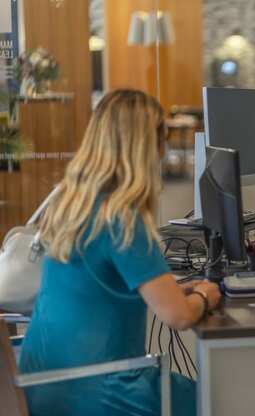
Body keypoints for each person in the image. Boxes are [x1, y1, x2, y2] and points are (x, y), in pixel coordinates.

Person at [19, 89, 221, 416]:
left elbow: (100, 288)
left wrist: (172, 292)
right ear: (147, 147)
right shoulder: (122, 220)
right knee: (223, 396)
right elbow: (179, 316)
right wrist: (206, 296)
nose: (164, 150)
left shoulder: (72, 203)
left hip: (42, 385)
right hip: (96, 391)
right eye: (162, 140)